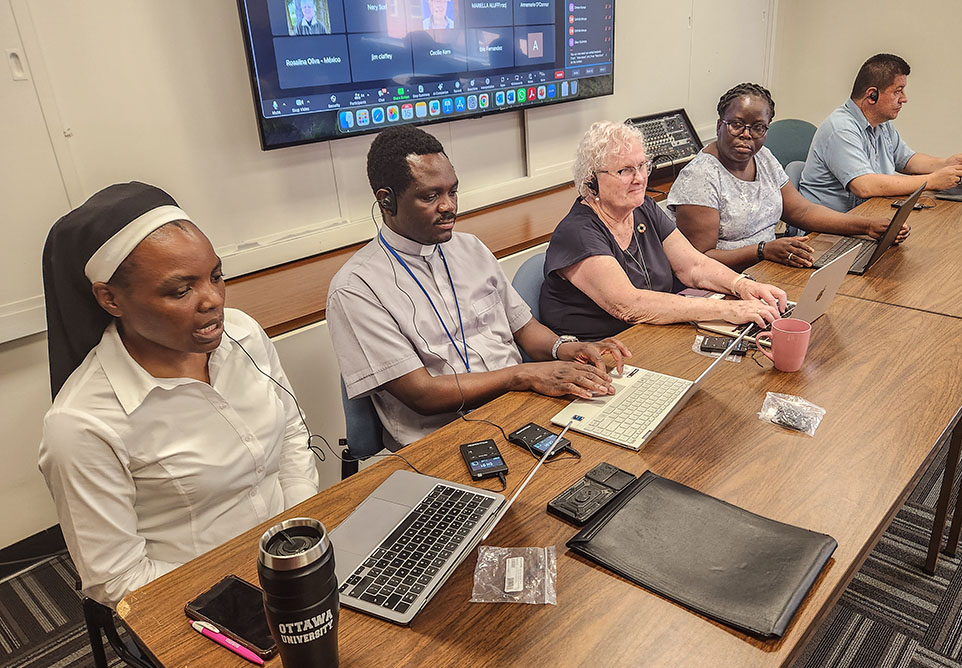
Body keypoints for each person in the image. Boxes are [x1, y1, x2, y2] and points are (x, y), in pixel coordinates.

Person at [38, 182, 319, 607]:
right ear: (110, 298)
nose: (214, 301)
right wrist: (244, 597)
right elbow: (118, 580)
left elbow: (294, 431)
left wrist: (300, 532)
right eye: (180, 290)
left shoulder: (241, 333)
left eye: (216, 276)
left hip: (292, 558)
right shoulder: (81, 425)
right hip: (202, 600)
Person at [327, 126, 630, 449]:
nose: (449, 206)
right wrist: (522, 376)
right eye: (430, 196)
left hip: (522, 411)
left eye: (452, 192)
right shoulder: (356, 288)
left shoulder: (470, 248)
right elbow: (421, 394)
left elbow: (525, 330)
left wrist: (568, 348)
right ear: (387, 201)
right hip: (440, 441)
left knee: (618, 443)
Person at [538, 121, 789, 342]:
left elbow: (693, 266)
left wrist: (741, 285)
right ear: (591, 180)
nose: (639, 178)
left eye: (642, 166)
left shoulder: (643, 207)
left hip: (651, 335)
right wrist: (727, 311)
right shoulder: (578, 233)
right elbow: (629, 305)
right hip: (602, 352)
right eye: (625, 170)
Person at [668, 83, 907, 272]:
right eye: (736, 125)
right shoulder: (700, 177)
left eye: (758, 128)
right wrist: (762, 251)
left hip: (766, 269)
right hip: (723, 283)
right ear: (720, 124)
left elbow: (801, 212)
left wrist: (867, 227)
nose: (747, 135)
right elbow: (699, 261)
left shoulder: (763, 158)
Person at [800, 53, 962, 213]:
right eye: (898, 91)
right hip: (822, 234)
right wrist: (931, 181)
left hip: (865, 217)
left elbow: (907, 161)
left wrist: (945, 163)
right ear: (872, 95)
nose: (904, 98)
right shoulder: (840, 129)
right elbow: (865, 186)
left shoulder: (881, 124)